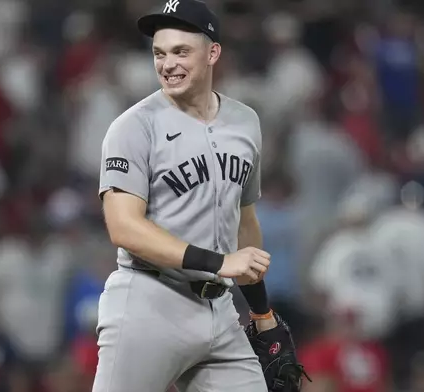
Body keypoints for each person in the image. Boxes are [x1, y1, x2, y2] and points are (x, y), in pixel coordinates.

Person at [92, 1, 306, 391]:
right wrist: (220, 262)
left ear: (213, 53)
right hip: (148, 300)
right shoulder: (133, 127)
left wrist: (261, 311)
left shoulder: (245, 121)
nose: (167, 63)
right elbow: (123, 226)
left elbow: (243, 220)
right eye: (159, 52)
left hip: (218, 309)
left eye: (180, 51)